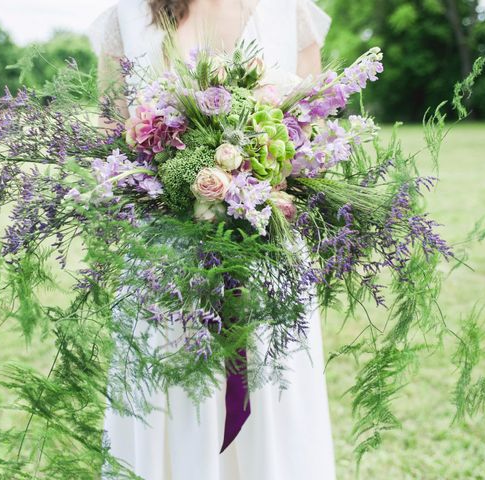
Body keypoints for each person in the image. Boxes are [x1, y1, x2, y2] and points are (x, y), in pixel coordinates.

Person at [89, 1, 336, 478]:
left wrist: (266, 181)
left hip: (268, 256)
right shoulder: (128, 15)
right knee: (172, 403)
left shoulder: (290, 11)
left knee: (272, 404)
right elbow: (108, 131)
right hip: (163, 262)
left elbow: (314, 131)